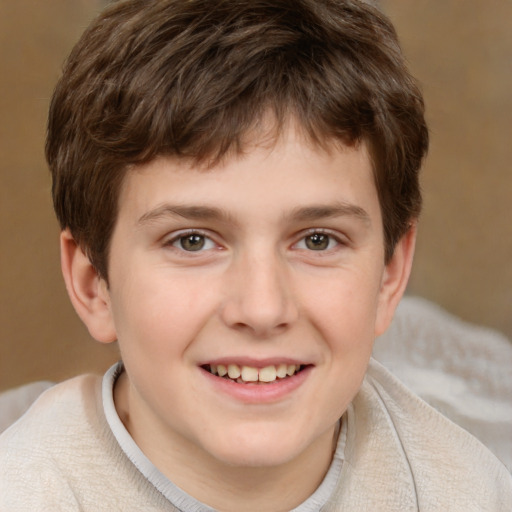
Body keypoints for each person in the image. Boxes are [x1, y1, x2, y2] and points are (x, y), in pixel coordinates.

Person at [0, 0, 510, 510]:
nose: (263, 309)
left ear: (389, 275)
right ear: (94, 285)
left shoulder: (459, 490)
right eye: (192, 241)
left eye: (317, 240)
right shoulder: (28, 491)